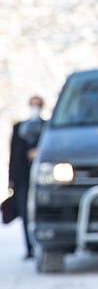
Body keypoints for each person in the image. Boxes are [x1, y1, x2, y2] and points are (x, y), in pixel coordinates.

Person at [8, 95, 46, 259]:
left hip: (40, 176)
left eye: (37, 105)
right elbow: (13, 154)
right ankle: (29, 248)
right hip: (22, 176)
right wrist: (11, 179)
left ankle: (41, 246)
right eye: (32, 104)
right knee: (24, 212)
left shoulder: (46, 127)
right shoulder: (19, 128)